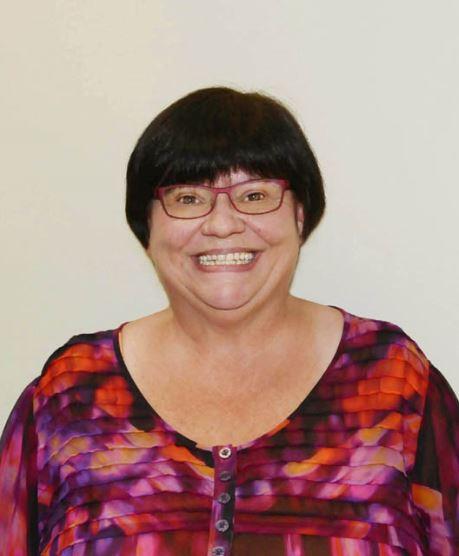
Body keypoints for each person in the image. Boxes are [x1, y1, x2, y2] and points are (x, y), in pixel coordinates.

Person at [0, 86, 457, 556]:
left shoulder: (392, 381)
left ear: (301, 215)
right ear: (147, 224)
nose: (222, 224)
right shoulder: (72, 394)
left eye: (255, 195)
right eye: (188, 198)